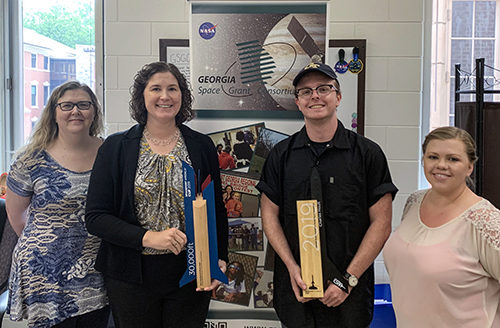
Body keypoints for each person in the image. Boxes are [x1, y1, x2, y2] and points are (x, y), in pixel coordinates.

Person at [85, 61, 228, 328]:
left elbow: (216, 209)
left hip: (192, 272)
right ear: (142, 96)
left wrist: (219, 259)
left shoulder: (201, 145)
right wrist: (149, 237)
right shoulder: (115, 148)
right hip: (130, 275)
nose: (165, 96)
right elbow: (95, 218)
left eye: (172, 88)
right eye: (156, 89)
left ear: (182, 96)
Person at [257, 62, 398, 328]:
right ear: (298, 102)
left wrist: (348, 280)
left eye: (324, 88)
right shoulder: (281, 156)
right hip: (297, 291)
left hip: (349, 294)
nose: (315, 96)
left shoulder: (368, 154)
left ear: (338, 96)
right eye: (306, 91)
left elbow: (382, 223)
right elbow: (269, 216)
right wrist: (291, 267)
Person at [5, 81, 109, 327]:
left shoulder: (110, 152)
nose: (76, 111)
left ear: (94, 111)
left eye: (84, 105)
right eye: (67, 105)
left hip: (96, 270)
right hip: (44, 272)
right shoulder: (30, 159)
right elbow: (17, 216)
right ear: (54, 112)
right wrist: (51, 243)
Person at [383, 126, 500, 327]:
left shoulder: (485, 220)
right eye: (433, 157)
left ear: (470, 166)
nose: (441, 165)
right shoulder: (414, 201)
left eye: (453, 159)